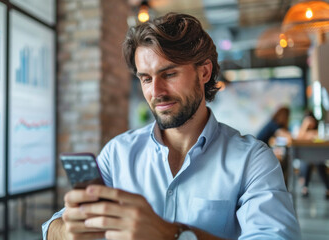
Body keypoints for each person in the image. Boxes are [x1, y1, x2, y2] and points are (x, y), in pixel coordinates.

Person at [43, 13, 300, 240]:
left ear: (204, 72)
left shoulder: (252, 160)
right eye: (146, 79)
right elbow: (53, 227)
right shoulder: (117, 153)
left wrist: (172, 234)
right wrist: (68, 232)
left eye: (169, 74)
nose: (156, 92)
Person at [297, 111, 329, 199]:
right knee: (307, 162)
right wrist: (305, 127)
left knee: (318, 162)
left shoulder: (319, 130)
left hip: (318, 156)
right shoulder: (302, 131)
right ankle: (305, 188)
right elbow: (298, 139)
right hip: (305, 157)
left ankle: (327, 188)